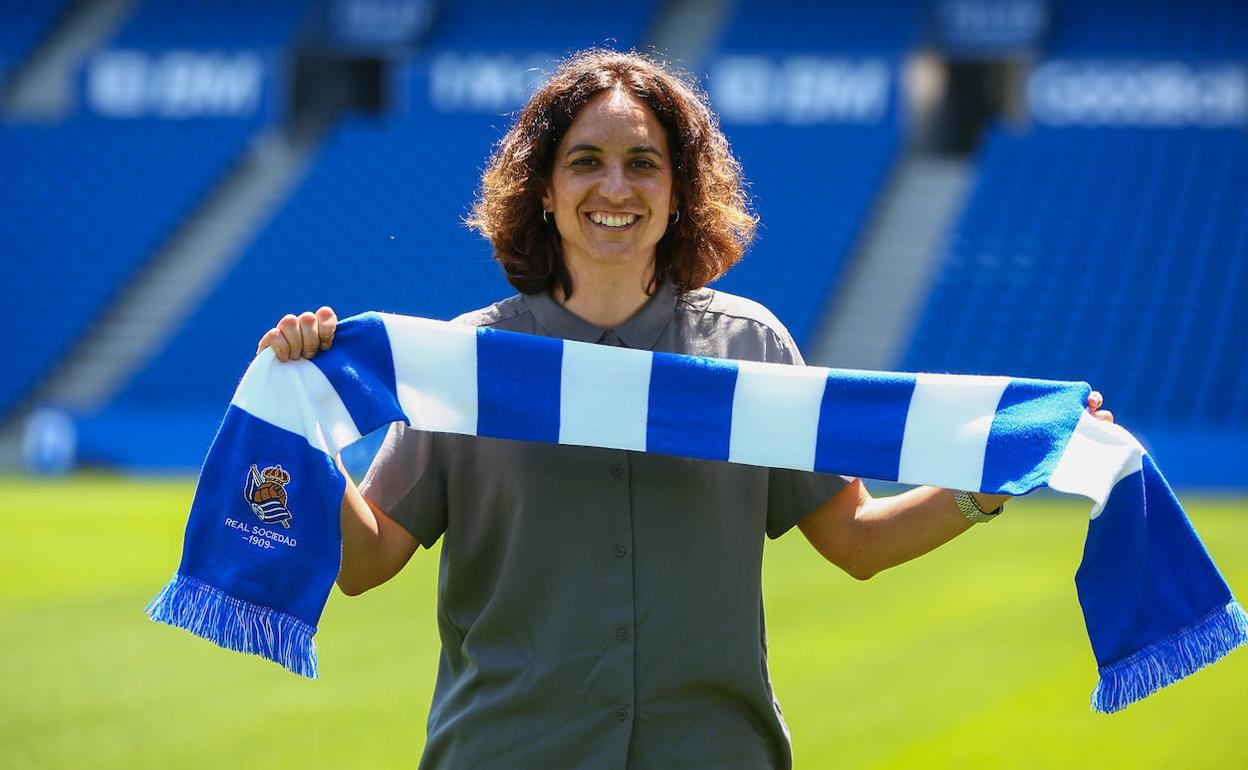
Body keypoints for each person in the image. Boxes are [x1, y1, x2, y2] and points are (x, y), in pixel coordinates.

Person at [257, 50, 1113, 769]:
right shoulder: (466, 364)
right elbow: (365, 563)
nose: (614, 186)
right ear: (544, 191)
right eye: (584, 161)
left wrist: (994, 477)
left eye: (643, 163)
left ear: (678, 193)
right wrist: (304, 415)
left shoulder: (749, 348)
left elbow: (857, 540)